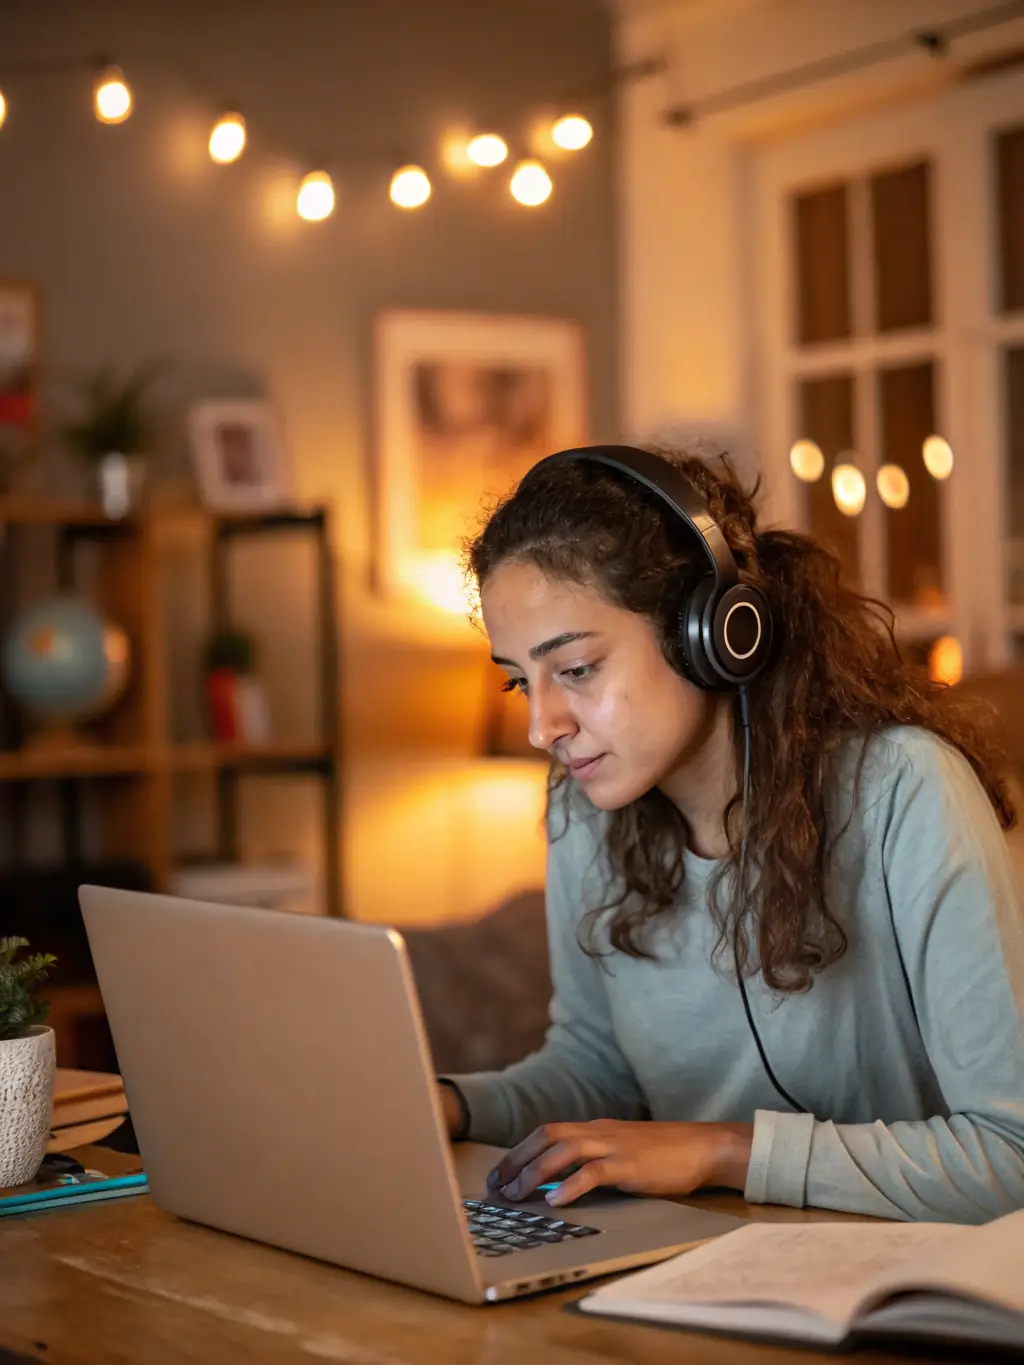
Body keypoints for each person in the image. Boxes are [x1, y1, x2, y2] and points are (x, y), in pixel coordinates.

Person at [435, 443, 1024, 1224]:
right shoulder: (583, 810)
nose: (543, 726)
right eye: (520, 679)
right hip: (688, 1265)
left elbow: (1009, 1153)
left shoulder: (906, 792)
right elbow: (595, 1076)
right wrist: (447, 1105)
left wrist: (722, 1149)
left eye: (575, 669)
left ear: (712, 634)